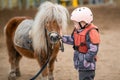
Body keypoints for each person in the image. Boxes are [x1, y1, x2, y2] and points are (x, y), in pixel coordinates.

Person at [62, 7, 100, 80]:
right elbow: (74, 40)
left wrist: (86, 60)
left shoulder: (92, 32)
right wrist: (62, 38)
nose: (74, 25)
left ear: (83, 22)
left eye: (75, 23)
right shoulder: (79, 30)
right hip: (82, 64)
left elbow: (93, 49)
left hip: (87, 66)